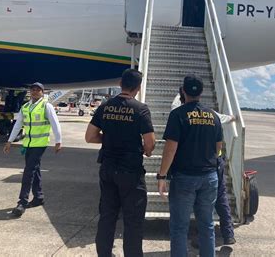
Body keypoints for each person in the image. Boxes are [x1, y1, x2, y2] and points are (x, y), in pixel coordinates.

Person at [85, 69, 155, 257]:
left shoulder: (105, 106)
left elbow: (89, 137)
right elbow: (150, 143)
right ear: (138, 88)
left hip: (107, 168)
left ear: (119, 84)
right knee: (133, 221)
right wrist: (146, 150)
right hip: (130, 172)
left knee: (107, 217)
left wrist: (108, 139)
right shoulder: (141, 109)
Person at [158, 74, 223, 257]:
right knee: (207, 225)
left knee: (179, 227)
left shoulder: (178, 115)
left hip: (184, 178)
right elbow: (218, 148)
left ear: (183, 91)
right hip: (209, 177)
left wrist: (162, 175)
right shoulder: (213, 116)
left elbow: (170, 149)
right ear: (201, 93)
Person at [171, 86, 237, 245]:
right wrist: (234, 117)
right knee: (219, 198)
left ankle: (198, 239)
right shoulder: (211, 114)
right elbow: (227, 119)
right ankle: (227, 233)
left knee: (193, 206)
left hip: (190, 167)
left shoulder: (178, 112)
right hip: (213, 164)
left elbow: (171, 143)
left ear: (183, 95)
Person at [3, 82, 62, 217]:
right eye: (33, 90)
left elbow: (55, 123)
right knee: (34, 170)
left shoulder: (46, 106)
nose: (35, 92)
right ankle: (38, 197)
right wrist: (9, 141)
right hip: (28, 144)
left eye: (38, 90)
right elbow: (18, 125)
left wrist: (59, 141)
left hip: (40, 144)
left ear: (42, 92)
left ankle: (22, 202)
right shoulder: (25, 107)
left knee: (28, 172)